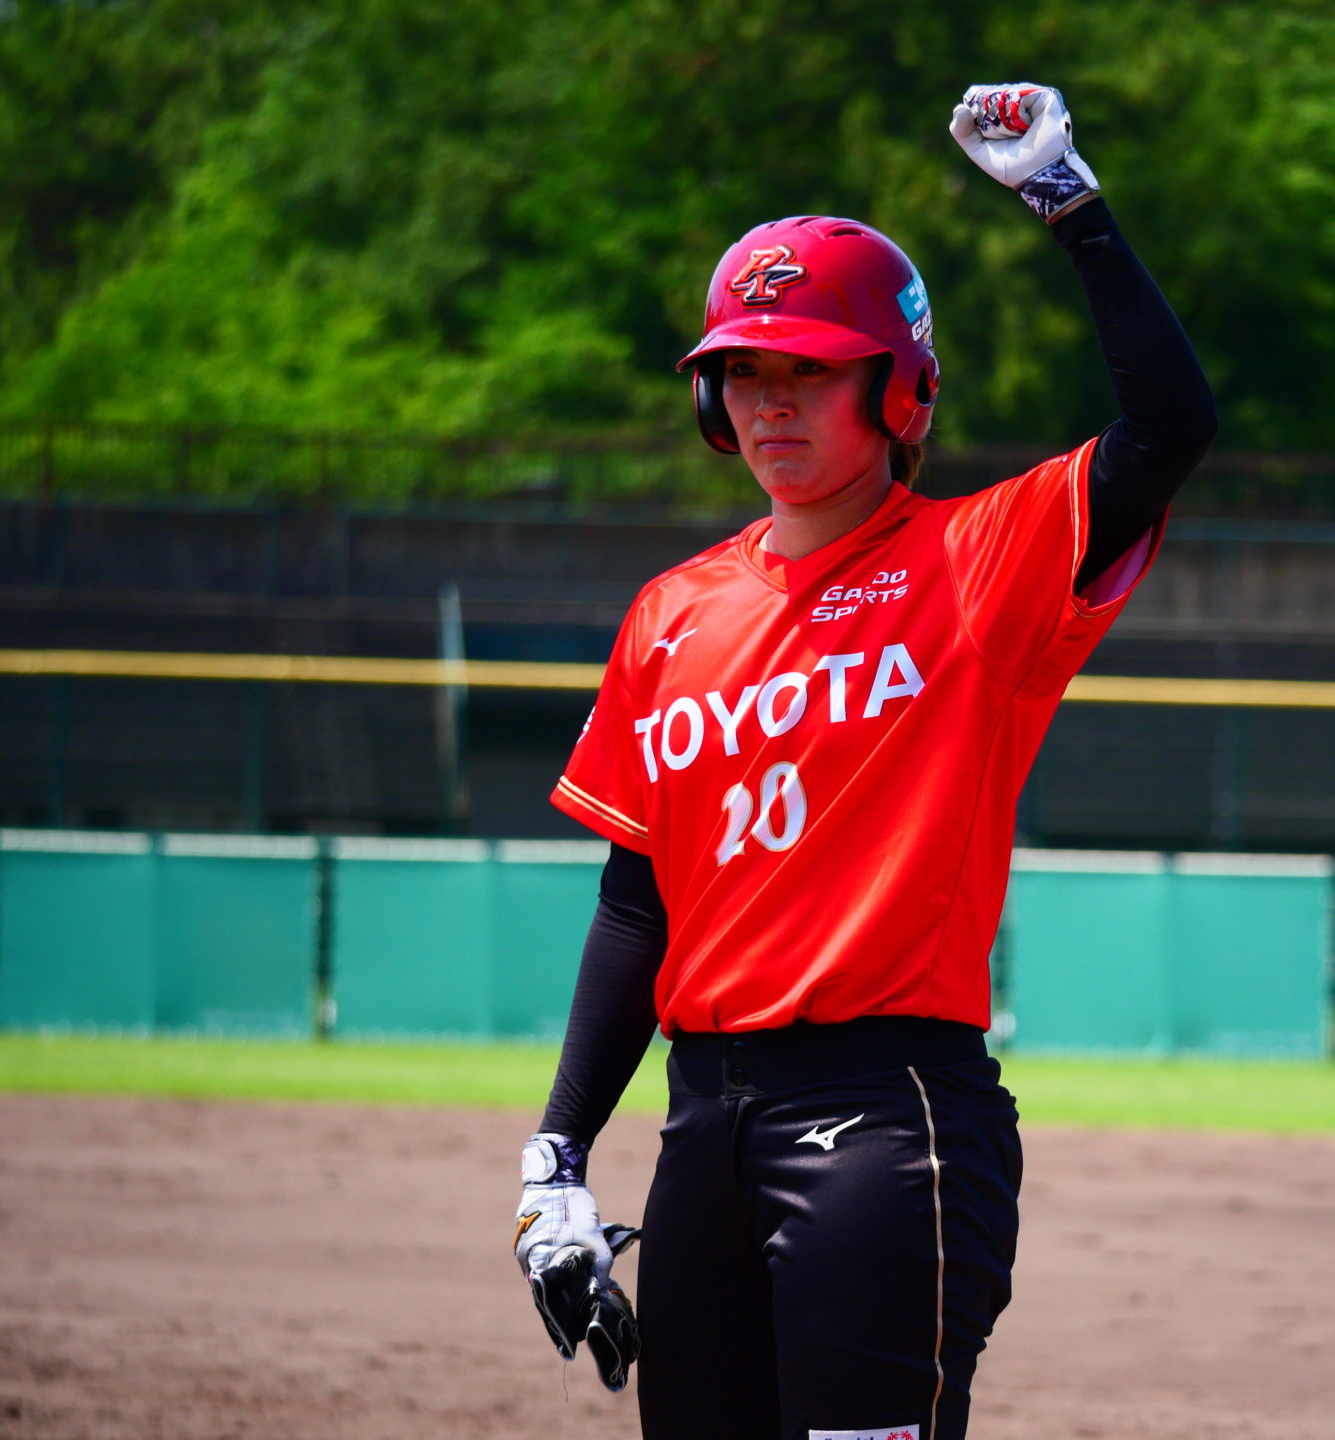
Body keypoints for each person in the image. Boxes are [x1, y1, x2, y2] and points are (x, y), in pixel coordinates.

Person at [512, 82, 1215, 1440]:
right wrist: (558, 1155)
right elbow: (636, 903)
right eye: (744, 373)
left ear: (897, 389)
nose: (768, 403)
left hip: (886, 1121)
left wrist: (1069, 206)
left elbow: (1168, 429)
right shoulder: (670, 613)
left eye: (809, 372)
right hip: (701, 1127)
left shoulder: (981, 560)